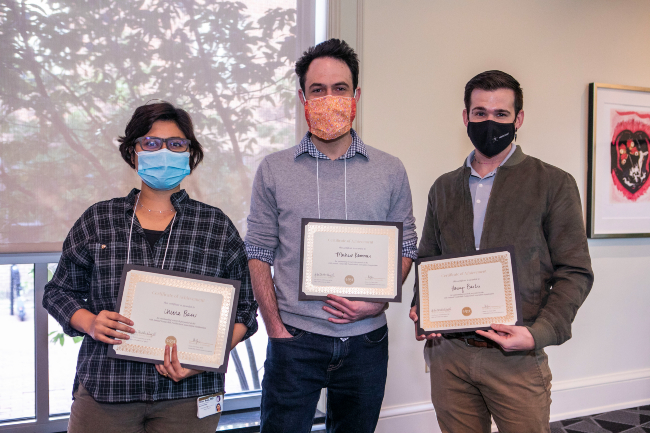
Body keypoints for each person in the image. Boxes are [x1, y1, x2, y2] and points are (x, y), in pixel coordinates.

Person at [43, 102, 258, 433]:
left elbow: (244, 311)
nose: (164, 152)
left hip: (189, 393)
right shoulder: (99, 219)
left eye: (176, 144)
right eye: (151, 143)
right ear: (133, 153)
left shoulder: (216, 226)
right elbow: (58, 291)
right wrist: (89, 322)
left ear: (190, 154)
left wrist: (203, 357)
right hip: (107, 388)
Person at [245, 38, 418, 433]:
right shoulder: (274, 170)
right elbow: (257, 251)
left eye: (339, 88)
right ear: (302, 98)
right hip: (295, 339)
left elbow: (406, 245)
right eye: (317, 90)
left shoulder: (390, 170)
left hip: (367, 342)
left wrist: (376, 304)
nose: (329, 98)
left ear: (356, 95)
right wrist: (275, 327)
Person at [409, 70, 594, 433]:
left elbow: (575, 271)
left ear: (518, 119)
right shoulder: (444, 188)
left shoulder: (552, 184)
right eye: (479, 113)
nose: (489, 122)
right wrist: (423, 308)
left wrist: (539, 333)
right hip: (450, 358)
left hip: (516, 358)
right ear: (465, 118)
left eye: (501, 114)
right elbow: (428, 258)